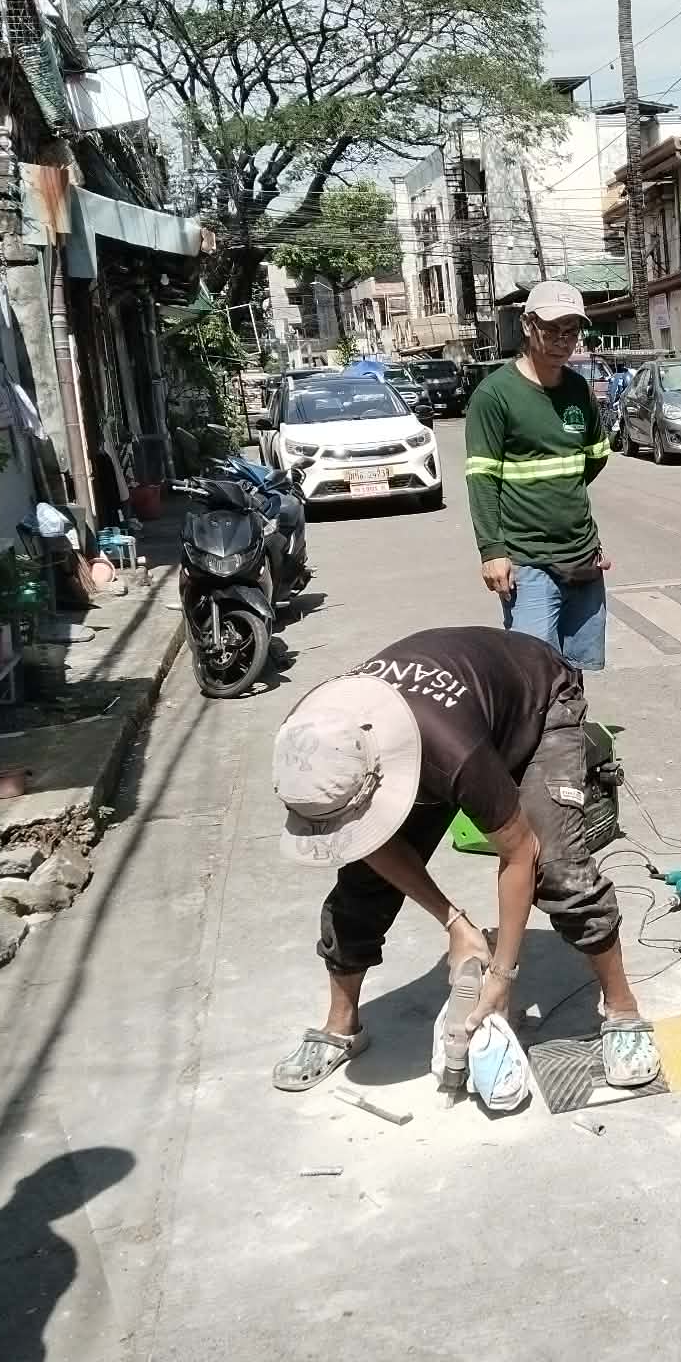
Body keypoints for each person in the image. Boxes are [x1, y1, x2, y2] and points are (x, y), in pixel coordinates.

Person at [269, 626, 659, 1098]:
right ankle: (341, 1025)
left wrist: (502, 975)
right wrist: (453, 921)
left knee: (557, 869)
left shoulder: (450, 754)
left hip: (539, 699)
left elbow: (518, 851)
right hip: (439, 718)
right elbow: (358, 837)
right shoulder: (306, 738)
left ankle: (622, 1009)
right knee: (360, 887)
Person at [464, 281, 613, 671]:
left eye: (571, 331)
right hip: (527, 561)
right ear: (528, 326)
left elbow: (595, 458)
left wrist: (561, 500)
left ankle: (568, 731)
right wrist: (492, 551)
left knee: (576, 666)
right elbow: (481, 479)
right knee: (531, 667)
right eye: (551, 329)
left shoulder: (579, 389)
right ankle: (533, 734)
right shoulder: (494, 395)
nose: (563, 341)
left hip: (581, 554)